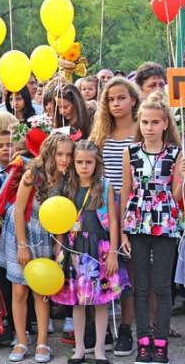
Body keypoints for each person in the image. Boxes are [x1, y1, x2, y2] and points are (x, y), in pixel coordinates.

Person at [0, 133, 74, 363]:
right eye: (60, 154)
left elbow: (62, 215)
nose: (65, 159)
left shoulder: (68, 179)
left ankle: (42, 342)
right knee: (20, 290)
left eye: (69, 154)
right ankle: (21, 340)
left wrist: (59, 246)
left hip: (46, 236)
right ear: (49, 153)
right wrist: (22, 245)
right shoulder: (33, 174)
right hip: (22, 231)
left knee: (42, 290)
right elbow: (19, 210)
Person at [120, 92, 184, 364]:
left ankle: (161, 343)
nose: (149, 127)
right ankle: (143, 341)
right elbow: (125, 191)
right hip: (136, 223)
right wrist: (122, 232)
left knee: (162, 286)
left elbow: (176, 195)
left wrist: (183, 178)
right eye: (145, 122)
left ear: (165, 123)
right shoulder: (131, 152)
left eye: (155, 122)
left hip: (165, 223)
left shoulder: (175, 154)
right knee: (141, 287)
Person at [51, 141, 123, 364]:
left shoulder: (105, 185)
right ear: (73, 162)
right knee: (78, 301)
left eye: (89, 162)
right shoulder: (68, 186)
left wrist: (113, 252)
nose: (84, 166)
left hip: (99, 248)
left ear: (96, 162)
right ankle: (80, 348)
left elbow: (113, 220)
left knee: (101, 301)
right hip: (75, 248)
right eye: (80, 162)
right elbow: (60, 220)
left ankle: (100, 349)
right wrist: (59, 249)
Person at [89, 77, 140, 356]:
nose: (116, 104)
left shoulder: (142, 129)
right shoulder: (101, 133)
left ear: (133, 99)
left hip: (133, 206)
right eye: (110, 99)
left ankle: (126, 328)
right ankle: (103, 329)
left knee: (129, 271)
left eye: (121, 98)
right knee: (103, 268)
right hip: (104, 208)